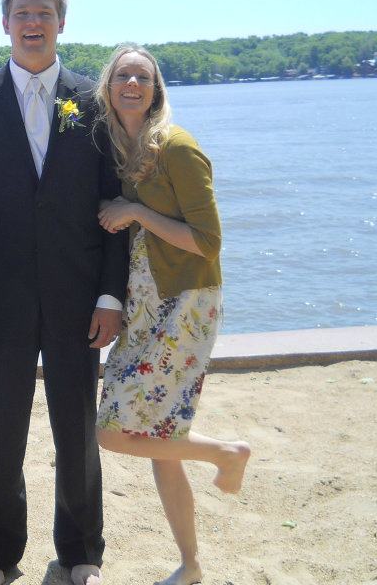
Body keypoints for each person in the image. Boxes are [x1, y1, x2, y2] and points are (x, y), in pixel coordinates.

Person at [0, 0, 128, 585]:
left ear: (61, 23)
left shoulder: (95, 101)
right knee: (1, 427)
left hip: (80, 294)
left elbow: (113, 203)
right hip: (0, 298)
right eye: (22, 13)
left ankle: (80, 553)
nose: (33, 22)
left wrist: (110, 294)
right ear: (6, 24)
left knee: (77, 428)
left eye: (44, 13)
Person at [94, 45, 252, 585]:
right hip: (144, 306)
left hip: (185, 303)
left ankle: (227, 453)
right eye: (123, 75)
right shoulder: (120, 148)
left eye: (143, 76)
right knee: (162, 441)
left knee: (113, 432)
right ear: (109, 87)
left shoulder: (177, 147)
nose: (132, 84)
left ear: (156, 89)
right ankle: (190, 564)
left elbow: (208, 241)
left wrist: (136, 211)